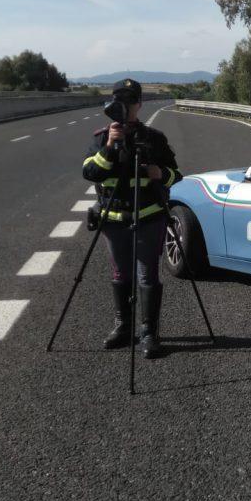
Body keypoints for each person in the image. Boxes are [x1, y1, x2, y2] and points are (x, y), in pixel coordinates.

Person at [82, 79, 182, 358]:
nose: (125, 106)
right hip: (113, 222)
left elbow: (177, 175)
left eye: (130, 100)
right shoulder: (102, 138)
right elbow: (90, 173)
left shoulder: (153, 138)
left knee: (147, 275)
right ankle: (123, 326)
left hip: (150, 220)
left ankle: (149, 332)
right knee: (120, 274)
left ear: (139, 104)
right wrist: (110, 148)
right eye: (119, 100)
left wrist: (160, 173)